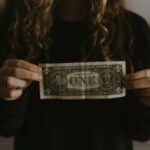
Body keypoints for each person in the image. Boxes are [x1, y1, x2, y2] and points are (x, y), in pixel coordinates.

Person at [0, 0, 150, 150]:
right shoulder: (12, 25)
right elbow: (6, 128)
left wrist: (146, 102)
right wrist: (6, 97)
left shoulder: (133, 29)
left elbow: (141, 132)